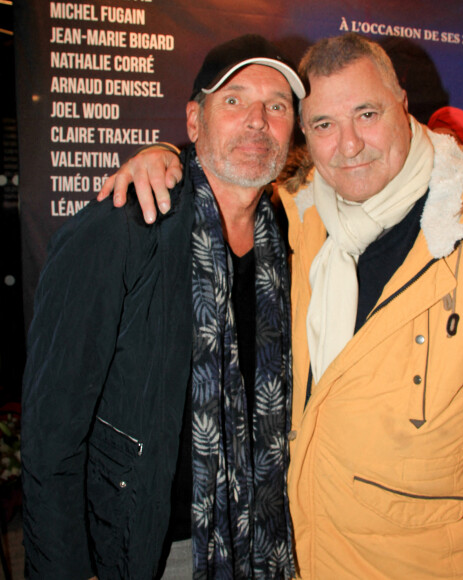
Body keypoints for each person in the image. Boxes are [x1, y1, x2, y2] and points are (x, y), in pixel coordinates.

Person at [100, 34, 463, 579]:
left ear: (402, 105)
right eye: (324, 125)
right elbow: (230, 158)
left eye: (366, 114)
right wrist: (166, 158)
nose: (348, 145)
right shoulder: (295, 214)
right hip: (304, 556)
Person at [21, 34, 306, 579]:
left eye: (276, 106)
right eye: (233, 100)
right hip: (153, 548)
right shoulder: (122, 225)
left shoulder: (287, 234)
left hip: (263, 538)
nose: (256, 120)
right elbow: (50, 434)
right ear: (194, 122)